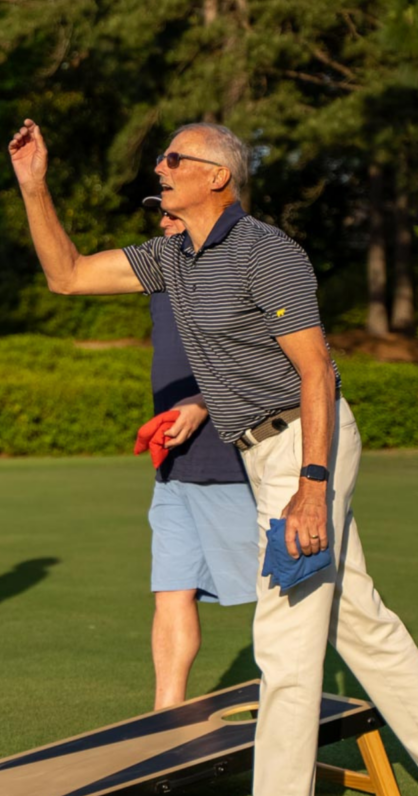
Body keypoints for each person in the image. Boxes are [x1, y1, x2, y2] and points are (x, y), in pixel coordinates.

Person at [9, 119, 418, 796]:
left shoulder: (263, 252)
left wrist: (310, 485)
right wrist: (34, 187)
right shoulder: (172, 256)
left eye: (174, 157)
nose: (160, 166)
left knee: (283, 641)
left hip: (305, 442)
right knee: (353, 618)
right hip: (259, 452)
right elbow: (66, 277)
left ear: (218, 175)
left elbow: (316, 373)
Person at [137, 197, 259, 710]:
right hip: (175, 470)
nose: (163, 222)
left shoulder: (241, 269)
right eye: (159, 214)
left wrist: (203, 405)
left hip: (234, 466)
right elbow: (70, 274)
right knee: (172, 590)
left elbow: (265, 361)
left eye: (172, 214)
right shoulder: (161, 280)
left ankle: (294, 713)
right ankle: (165, 720)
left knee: (283, 602)